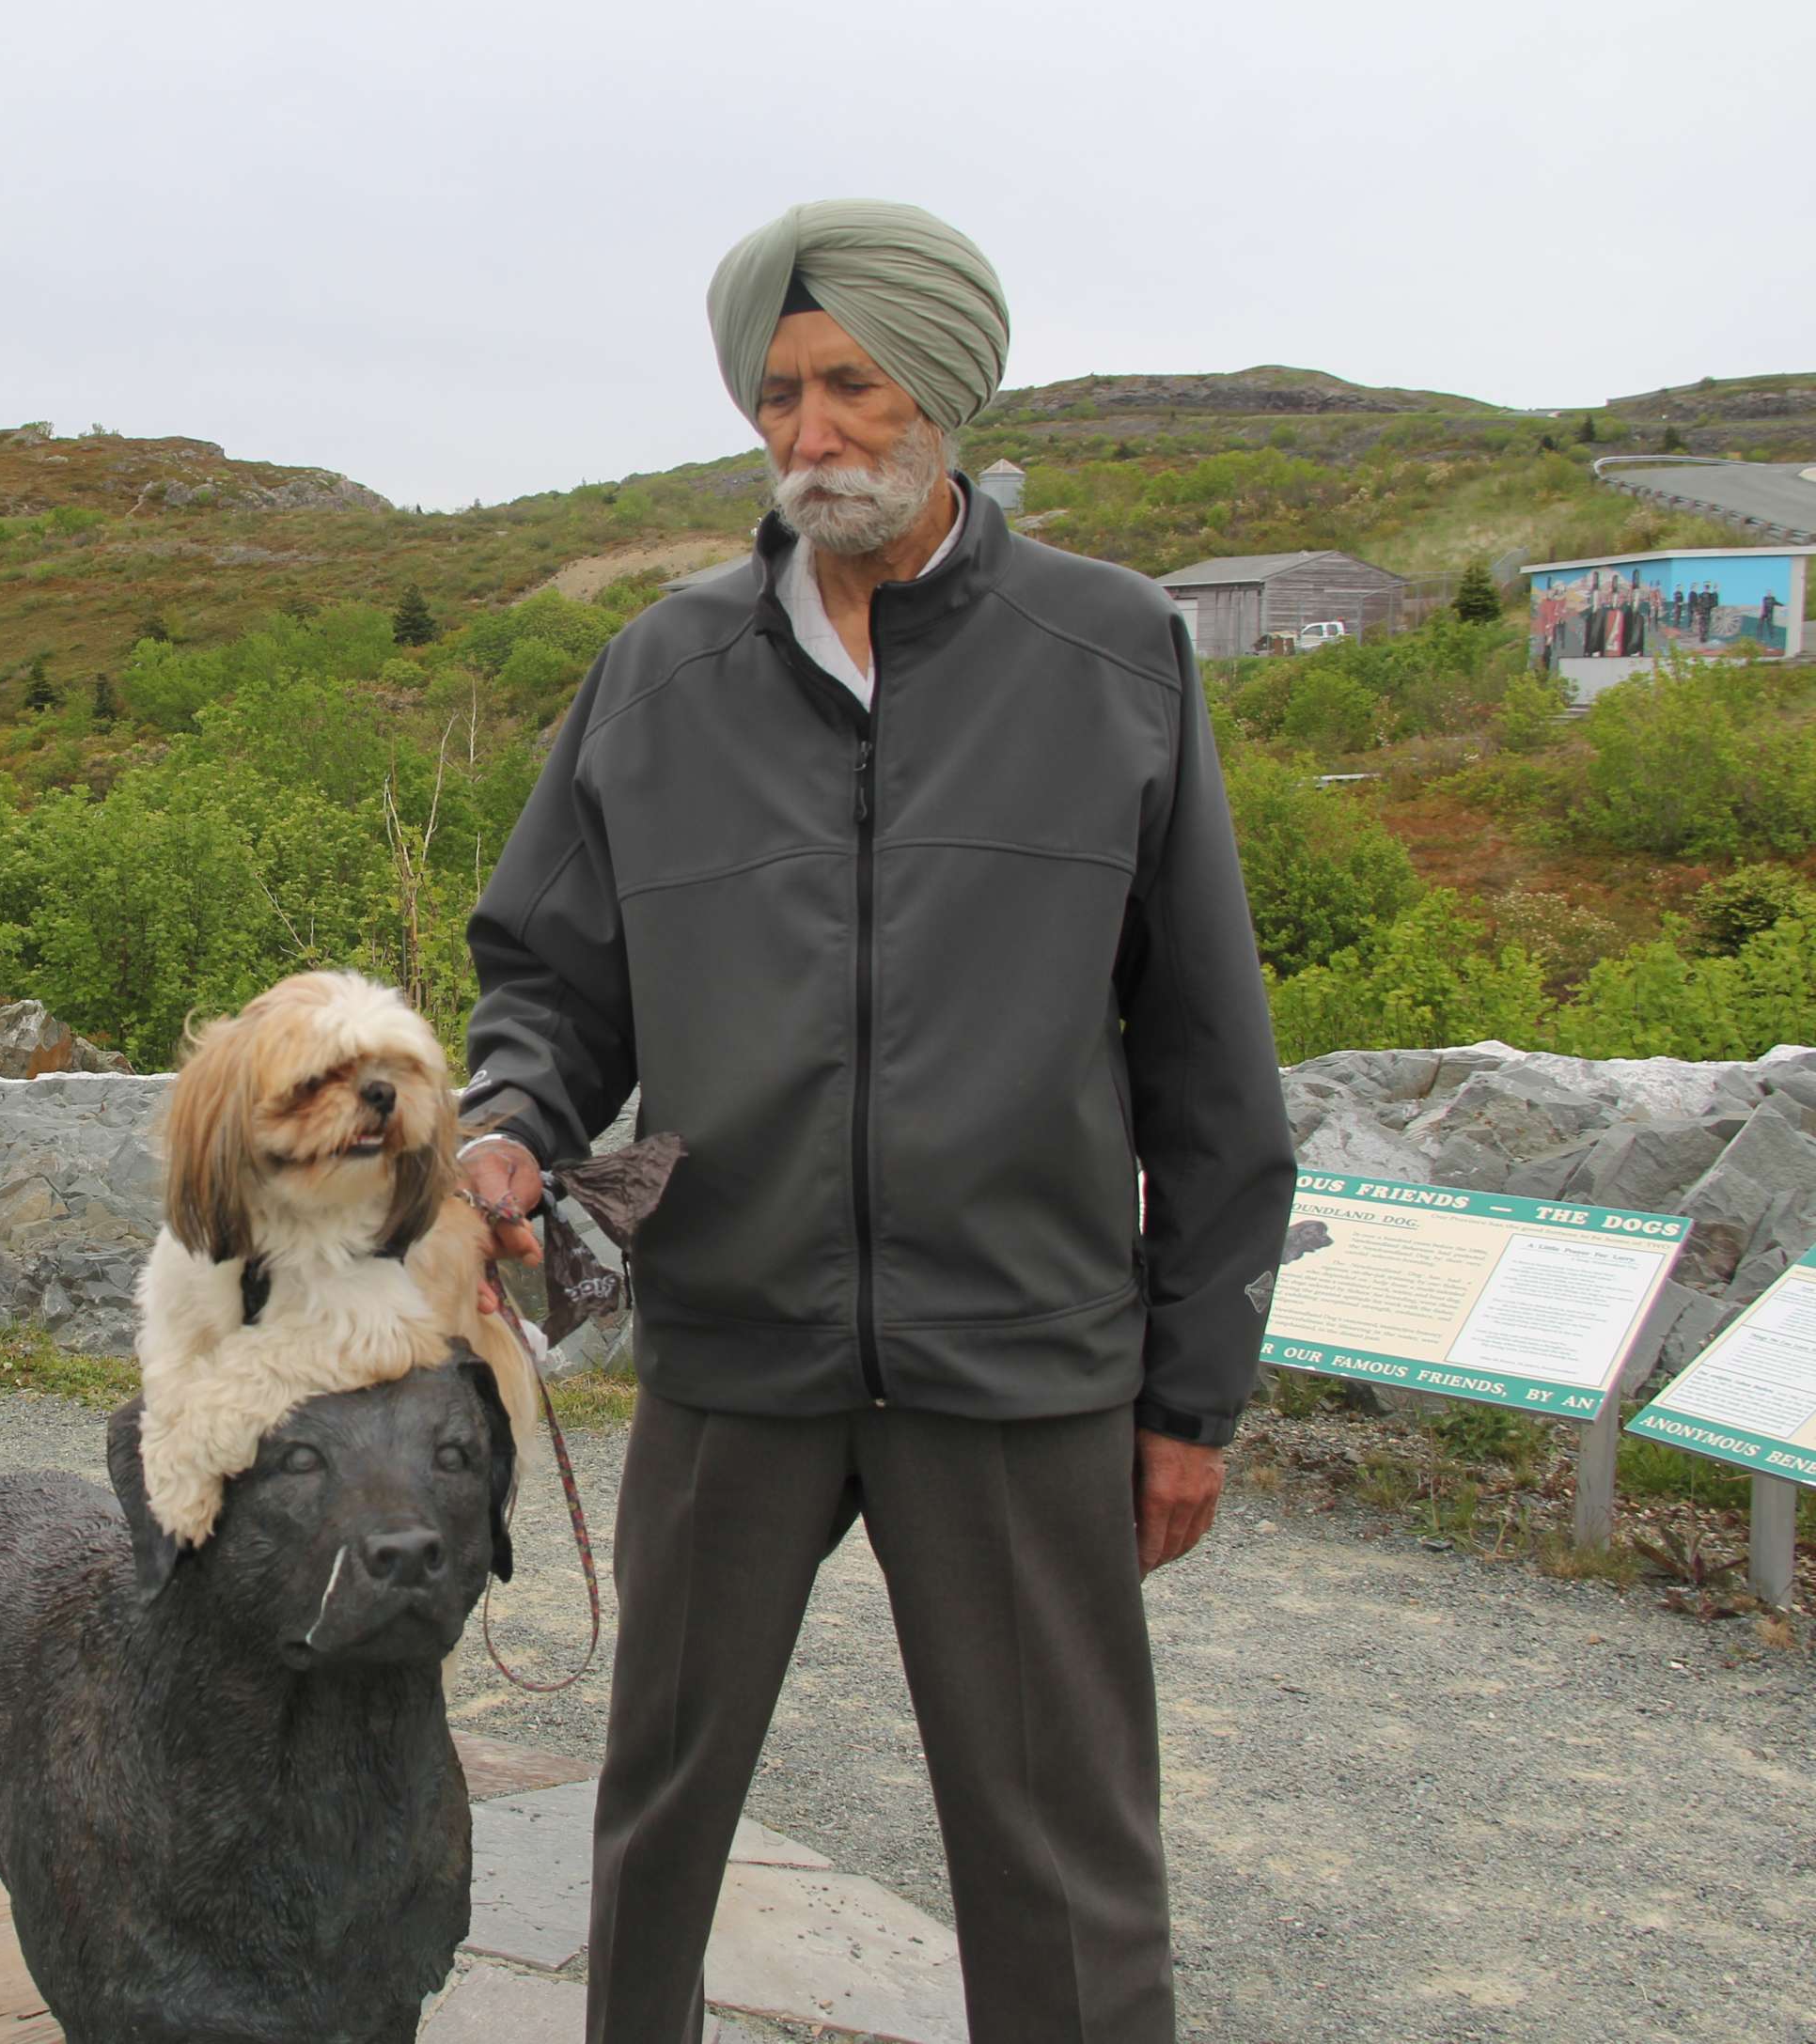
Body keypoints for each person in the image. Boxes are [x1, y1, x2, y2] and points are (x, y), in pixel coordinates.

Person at [459, 198, 1294, 2044]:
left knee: (1062, 1868)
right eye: (775, 394)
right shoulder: (655, 675)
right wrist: (506, 1116)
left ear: (944, 392)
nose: (806, 433)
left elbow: (1208, 1065)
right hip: (731, 1346)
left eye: (847, 385)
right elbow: (547, 976)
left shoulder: (1111, 655)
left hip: (1015, 1359)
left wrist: (1183, 1393)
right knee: (654, 1829)